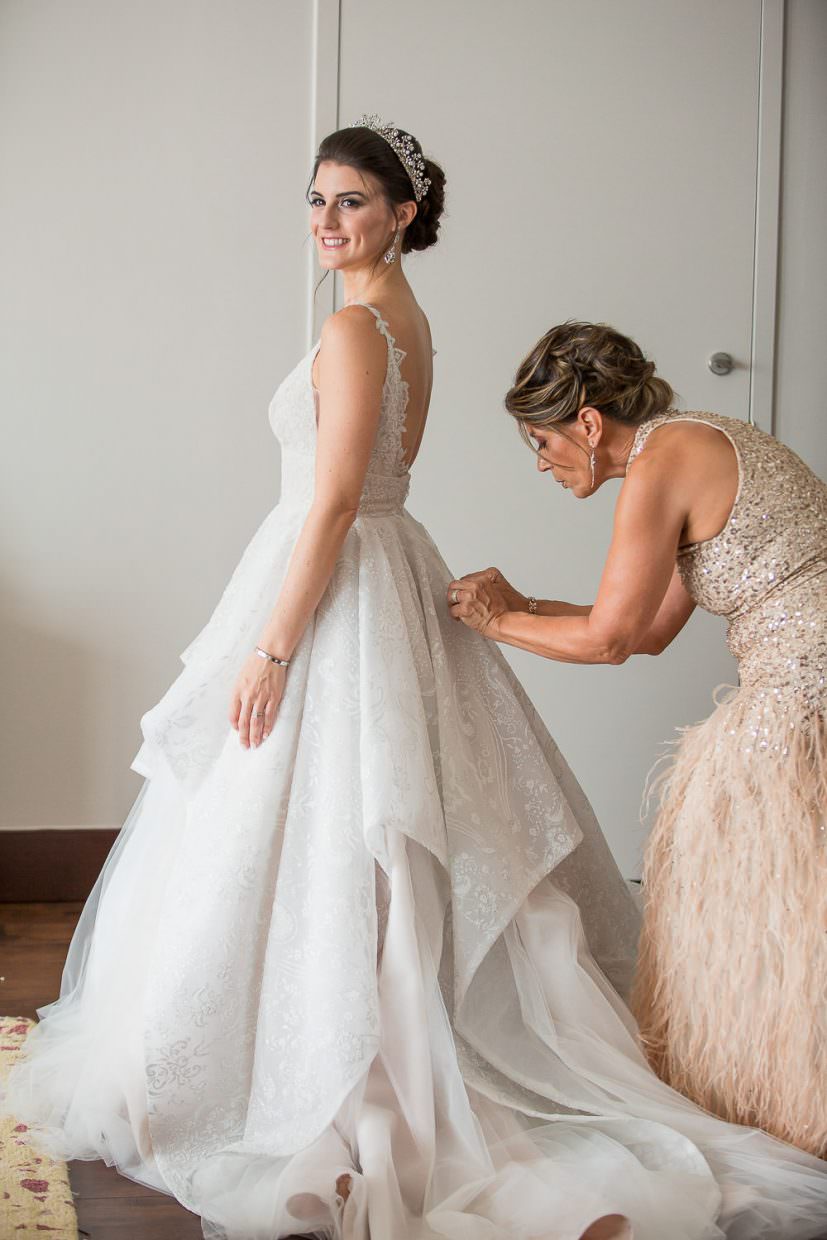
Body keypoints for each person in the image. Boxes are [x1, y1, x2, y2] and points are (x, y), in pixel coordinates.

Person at [3, 125, 826, 1240]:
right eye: (316, 199)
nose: (328, 221)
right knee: (369, 819)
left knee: (327, 818)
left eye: (353, 201)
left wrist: (271, 647)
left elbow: (337, 501)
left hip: (336, 576)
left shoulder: (353, 326)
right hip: (383, 567)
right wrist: (513, 609)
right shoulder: (407, 324)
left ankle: (316, 1060)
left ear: (401, 214)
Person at [449, 320, 827, 1164]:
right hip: (806, 678)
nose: (540, 464)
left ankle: (788, 1104)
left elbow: (614, 641)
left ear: (587, 424)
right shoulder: (701, 439)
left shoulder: (660, 463)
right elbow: (651, 629)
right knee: (774, 906)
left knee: (748, 896)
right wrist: (527, 605)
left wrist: (493, 622)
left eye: (542, 442)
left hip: (807, 692)